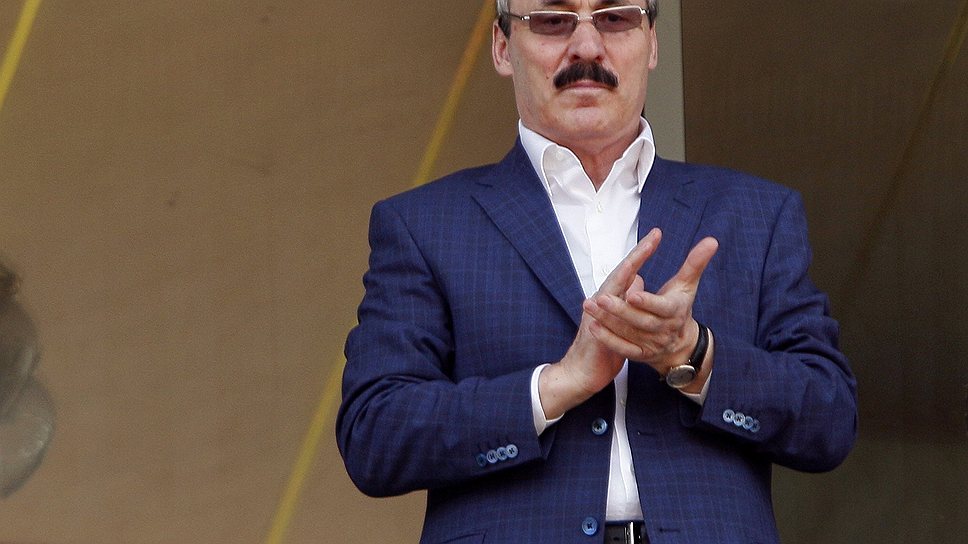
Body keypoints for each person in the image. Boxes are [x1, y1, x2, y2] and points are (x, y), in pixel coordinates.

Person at [336, 1, 858, 542]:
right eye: (553, 20)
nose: (587, 47)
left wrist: (692, 354)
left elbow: (830, 421)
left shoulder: (754, 213)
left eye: (614, 18)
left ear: (652, 42)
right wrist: (554, 386)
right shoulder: (425, 224)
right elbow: (374, 435)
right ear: (502, 47)